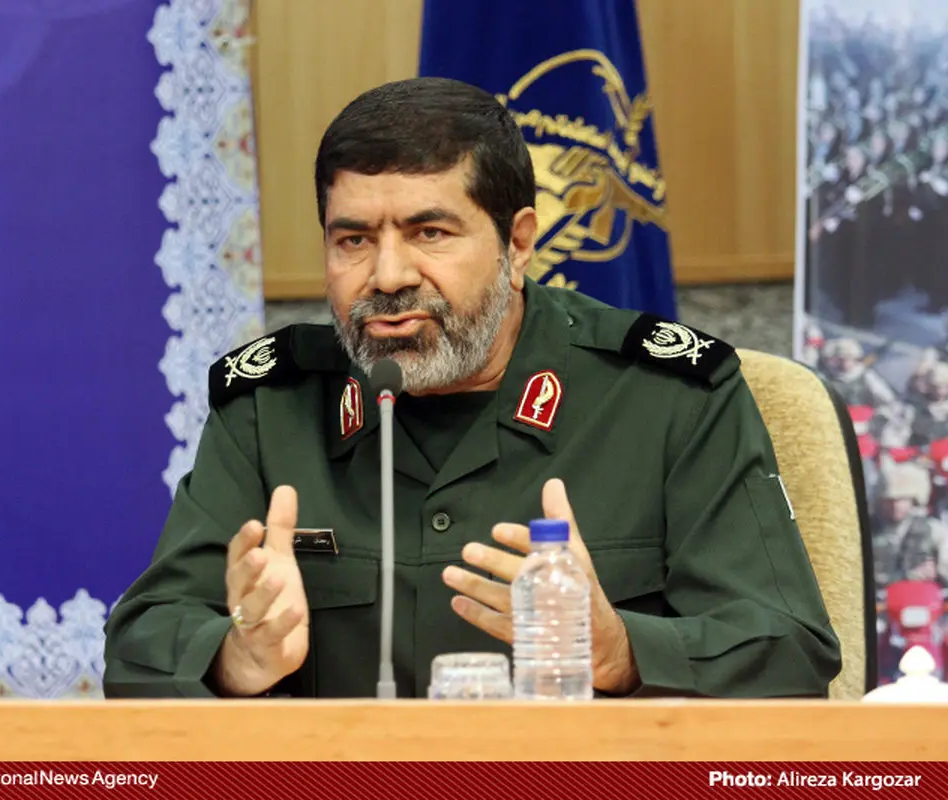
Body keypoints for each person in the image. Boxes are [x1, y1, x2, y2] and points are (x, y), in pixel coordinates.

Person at [103, 77, 841, 699]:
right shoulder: (271, 407)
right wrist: (235, 658)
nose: (387, 276)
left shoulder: (666, 397)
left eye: (430, 233)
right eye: (353, 239)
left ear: (518, 243)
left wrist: (621, 651)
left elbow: (790, 650)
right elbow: (140, 646)